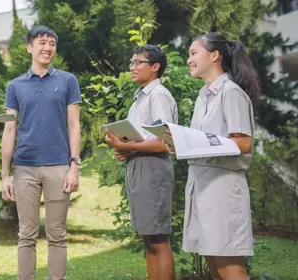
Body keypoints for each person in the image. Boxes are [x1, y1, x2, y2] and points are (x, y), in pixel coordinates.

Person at [175, 32, 260, 280]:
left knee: (228, 265)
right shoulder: (203, 96)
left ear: (214, 56)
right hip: (202, 184)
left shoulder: (230, 92)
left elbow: (243, 142)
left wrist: (198, 145)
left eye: (193, 53)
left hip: (222, 188)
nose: (188, 59)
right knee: (214, 263)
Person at [1, 25, 82, 280]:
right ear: (29, 47)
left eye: (52, 44)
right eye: (42, 43)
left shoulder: (68, 81)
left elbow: (73, 124)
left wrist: (74, 166)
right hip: (25, 167)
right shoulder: (15, 86)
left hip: (59, 166)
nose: (48, 48)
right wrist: (5, 175)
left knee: (57, 233)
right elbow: (9, 130)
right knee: (26, 234)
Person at [104, 44, 177, 280]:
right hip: (138, 166)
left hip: (153, 170)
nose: (132, 67)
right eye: (131, 63)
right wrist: (124, 148)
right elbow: (141, 138)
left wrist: (127, 146)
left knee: (158, 239)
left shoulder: (159, 96)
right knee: (148, 239)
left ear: (155, 67)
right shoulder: (139, 98)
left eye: (138, 63)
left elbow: (164, 142)